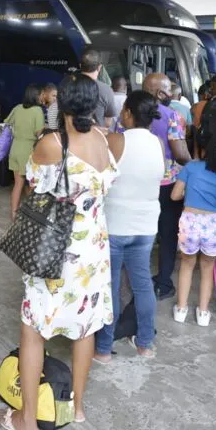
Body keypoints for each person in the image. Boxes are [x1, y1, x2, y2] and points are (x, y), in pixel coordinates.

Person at [0, 74, 118, 430]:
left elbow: (35, 186)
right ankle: (77, 408)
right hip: (94, 253)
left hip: (58, 253)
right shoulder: (108, 140)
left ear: (60, 104)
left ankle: (28, 423)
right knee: (85, 331)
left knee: (34, 332)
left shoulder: (52, 143)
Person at [94, 91, 165, 362]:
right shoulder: (157, 143)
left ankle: (103, 350)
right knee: (143, 284)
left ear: (128, 113)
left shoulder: (115, 139)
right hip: (146, 225)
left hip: (115, 224)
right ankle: (145, 344)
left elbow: (98, 174)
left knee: (110, 286)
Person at [171, 132, 216, 327]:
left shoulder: (191, 167)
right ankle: (203, 313)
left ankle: (181, 310)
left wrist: (190, 196)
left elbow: (175, 196)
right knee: (208, 269)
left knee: (186, 264)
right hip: (213, 226)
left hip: (189, 222)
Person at [139, 74, 191, 300]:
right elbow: (180, 153)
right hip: (167, 185)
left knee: (141, 232)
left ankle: (137, 278)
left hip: (138, 180)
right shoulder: (172, 116)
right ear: (160, 93)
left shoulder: (131, 112)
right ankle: (162, 283)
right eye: (168, 89)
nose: (171, 93)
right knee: (168, 234)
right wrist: (194, 166)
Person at [5, 84, 45, 221]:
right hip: (28, 151)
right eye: (41, 94)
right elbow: (39, 132)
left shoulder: (17, 108)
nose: (42, 97)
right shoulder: (37, 111)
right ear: (36, 95)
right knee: (32, 185)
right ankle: (31, 215)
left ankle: (14, 214)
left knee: (18, 184)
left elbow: (7, 123)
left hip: (15, 148)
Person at [79, 50, 117, 129]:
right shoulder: (106, 89)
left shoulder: (69, 85)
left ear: (80, 65)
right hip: (97, 136)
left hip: (72, 136)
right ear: (99, 67)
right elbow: (108, 123)